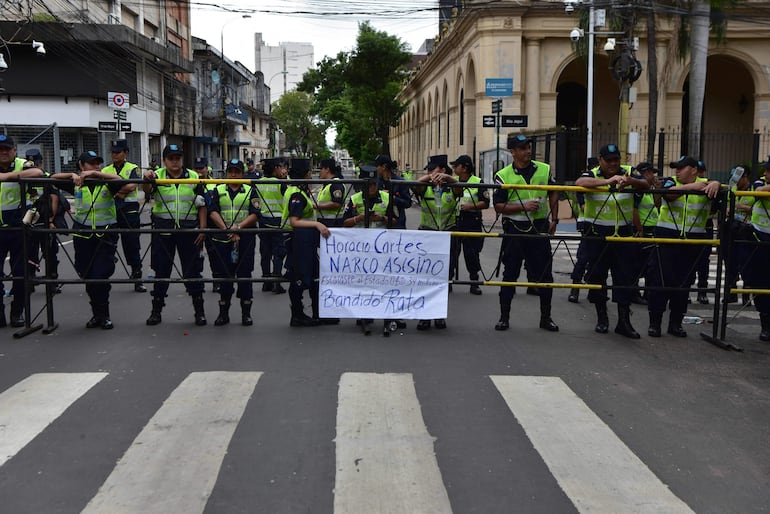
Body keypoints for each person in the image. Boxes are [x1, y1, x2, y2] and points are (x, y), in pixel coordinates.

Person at [575, 143, 648, 339]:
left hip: (623, 234)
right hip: (597, 233)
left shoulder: (629, 172)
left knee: (624, 277)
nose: (614, 164)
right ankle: (602, 318)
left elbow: (647, 184)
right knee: (597, 276)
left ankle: (624, 321)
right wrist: (607, 181)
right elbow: (579, 183)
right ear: (600, 160)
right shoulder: (592, 173)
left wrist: (631, 180)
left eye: (616, 159)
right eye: (609, 160)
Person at [645, 156, 721, 338]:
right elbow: (668, 194)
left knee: (684, 283)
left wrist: (717, 183)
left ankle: (676, 323)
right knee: (660, 280)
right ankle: (655, 323)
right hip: (667, 236)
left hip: (693, 239)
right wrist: (692, 187)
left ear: (694, 170)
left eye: (681, 168)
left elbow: (720, 193)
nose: (677, 171)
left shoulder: (706, 184)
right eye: (676, 168)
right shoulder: (671, 182)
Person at [493, 134, 560, 333]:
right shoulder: (503, 175)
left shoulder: (544, 169)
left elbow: (554, 191)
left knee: (545, 274)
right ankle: (504, 317)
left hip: (539, 227)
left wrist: (555, 218)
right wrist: (522, 207)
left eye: (528, 147)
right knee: (510, 274)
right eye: (522, 148)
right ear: (512, 152)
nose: (527, 151)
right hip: (515, 229)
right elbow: (498, 206)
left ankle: (546, 318)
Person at [51, 151, 122, 329]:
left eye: (98, 163)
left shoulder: (105, 182)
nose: (96, 166)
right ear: (81, 166)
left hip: (104, 235)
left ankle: (105, 315)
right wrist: (71, 175)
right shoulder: (77, 184)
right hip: (83, 236)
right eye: (91, 164)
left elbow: (120, 179)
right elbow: (52, 177)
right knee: (86, 274)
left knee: (100, 275)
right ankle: (96, 314)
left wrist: (96, 174)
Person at [142, 144, 208, 326]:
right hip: (163, 231)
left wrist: (202, 229)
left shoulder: (193, 176)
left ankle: (199, 311)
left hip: (189, 231)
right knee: (161, 271)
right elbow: (147, 192)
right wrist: (146, 179)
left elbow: (202, 204)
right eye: (171, 158)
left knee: (193, 271)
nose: (175, 161)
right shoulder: (157, 175)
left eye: (178, 157)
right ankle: (156, 311)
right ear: (164, 160)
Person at [342, 165, 395, 335]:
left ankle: (387, 316)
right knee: (364, 283)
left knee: (384, 282)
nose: (372, 188)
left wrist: (383, 218)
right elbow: (345, 222)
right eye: (369, 185)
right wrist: (359, 217)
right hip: (361, 250)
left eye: (374, 184)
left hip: (383, 248)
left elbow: (396, 221)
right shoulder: (355, 199)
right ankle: (364, 315)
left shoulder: (386, 197)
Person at [282, 158, 334, 327]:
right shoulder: (297, 193)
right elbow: (294, 221)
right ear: (306, 174)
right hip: (298, 242)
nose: (312, 175)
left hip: (305, 242)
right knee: (300, 278)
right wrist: (317, 224)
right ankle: (297, 315)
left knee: (314, 276)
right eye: (310, 172)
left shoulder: (298, 191)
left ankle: (318, 313)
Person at [0, 135, 45, 327]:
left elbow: (38, 173)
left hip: (19, 227)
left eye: (6, 149)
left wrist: (6, 177)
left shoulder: (23, 164)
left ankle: (17, 312)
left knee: (21, 274)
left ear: (13, 151)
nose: (3, 152)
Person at [208, 159, 259, 326]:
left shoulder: (251, 190)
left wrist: (238, 227)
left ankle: (246, 314)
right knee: (224, 276)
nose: (234, 174)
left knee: (244, 275)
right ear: (226, 173)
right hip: (224, 239)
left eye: (237, 171)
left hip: (244, 239)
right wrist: (228, 230)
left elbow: (255, 213)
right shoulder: (218, 189)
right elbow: (213, 211)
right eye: (231, 171)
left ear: (242, 174)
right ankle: (223, 313)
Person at [412, 155, 457, 331]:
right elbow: (416, 187)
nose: (430, 172)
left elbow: (461, 189)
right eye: (428, 170)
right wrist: (429, 178)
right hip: (428, 235)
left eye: (433, 169)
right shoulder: (426, 189)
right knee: (425, 278)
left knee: (443, 279)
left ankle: (439, 315)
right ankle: (425, 316)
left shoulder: (452, 188)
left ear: (443, 170)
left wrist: (448, 179)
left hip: (447, 234)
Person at [102, 139, 146, 293]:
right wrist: (121, 189)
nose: (115, 154)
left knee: (131, 245)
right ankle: (103, 276)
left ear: (126, 153)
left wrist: (119, 192)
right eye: (113, 152)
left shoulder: (133, 168)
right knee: (107, 242)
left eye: (118, 152)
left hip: (129, 211)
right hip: (111, 210)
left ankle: (137, 276)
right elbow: (104, 185)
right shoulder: (106, 169)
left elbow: (133, 184)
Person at [448, 154, 489, 295]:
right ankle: (449, 282)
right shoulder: (453, 182)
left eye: (456, 166)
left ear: (464, 168)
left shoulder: (478, 181)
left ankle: (474, 282)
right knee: (453, 252)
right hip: (456, 221)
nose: (454, 168)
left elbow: (486, 202)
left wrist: (470, 207)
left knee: (471, 253)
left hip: (472, 221)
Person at [741, 159, 770, 341]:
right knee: (761, 283)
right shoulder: (760, 183)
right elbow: (759, 191)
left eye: (768, 171)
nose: (765, 174)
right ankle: (765, 326)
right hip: (760, 239)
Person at [568, 156, 600, 303]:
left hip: (599, 222)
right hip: (587, 221)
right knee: (584, 256)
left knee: (595, 258)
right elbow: (579, 190)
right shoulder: (590, 176)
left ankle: (591, 289)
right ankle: (576, 288)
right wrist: (582, 204)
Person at [255, 157, 288, 294]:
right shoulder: (280, 183)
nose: (282, 169)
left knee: (265, 252)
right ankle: (276, 281)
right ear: (275, 168)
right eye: (280, 167)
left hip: (263, 222)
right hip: (278, 222)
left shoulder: (257, 183)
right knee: (278, 252)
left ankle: (266, 281)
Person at [631, 162, 662, 304]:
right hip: (643, 229)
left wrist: (657, 190)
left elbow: (656, 205)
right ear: (645, 173)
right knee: (638, 264)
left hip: (652, 229)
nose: (654, 176)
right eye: (651, 173)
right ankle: (635, 293)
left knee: (651, 264)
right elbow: (634, 209)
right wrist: (639, 229)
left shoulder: (648, 188)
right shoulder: (639, 188)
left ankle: (648, 294)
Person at [193, 157, 220, 293]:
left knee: (214, 253)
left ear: (206, 168)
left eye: (201, 168)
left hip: (211, 223)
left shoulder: (214, 184)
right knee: (196, 254)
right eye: (196, 168)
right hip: (193, 222)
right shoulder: (190, 183)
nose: (199, 171)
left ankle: (216, 280)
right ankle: (196, 280)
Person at [693, 160, 714, 304]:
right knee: (688, 259)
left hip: (705, 224)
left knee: (703, 260)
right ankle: (687, 291)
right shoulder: (687, 185)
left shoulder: (708, 185)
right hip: (690, 225)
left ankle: (702, 290)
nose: (700, 175)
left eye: (702, 172)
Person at [374, 154, 412, 229]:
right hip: (380, 224)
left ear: (384, 167)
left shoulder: (400, 182)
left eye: (377, 166)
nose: (376, 169)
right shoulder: (377, 182)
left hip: (397, 224)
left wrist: (392, 197)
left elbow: (408, 203)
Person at [316, 157, 347, 227]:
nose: (319, 172)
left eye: (321, 169)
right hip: (325, 223)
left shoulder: (335, 184)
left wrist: (316, 206)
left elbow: (337, 203)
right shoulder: (327, 184)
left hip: (333, 223)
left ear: (327, 169)